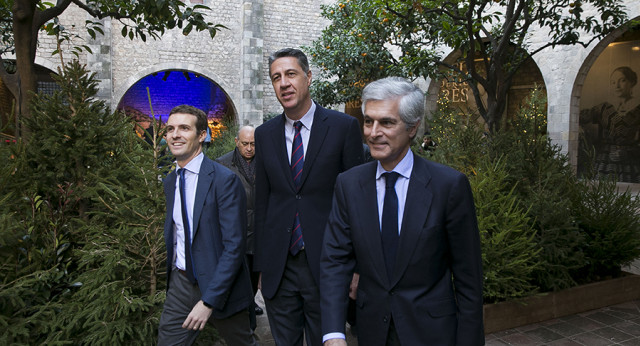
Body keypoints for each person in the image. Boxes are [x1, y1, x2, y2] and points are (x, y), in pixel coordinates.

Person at [320, 77, 484, 345]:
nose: (373, 132)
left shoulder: (448, 187)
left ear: (413, 127)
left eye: (386, 122)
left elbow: (469, 282)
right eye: (368, 121)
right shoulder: (348, 185)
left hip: (432, 335)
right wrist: (333, 332)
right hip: (371, 332)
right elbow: (335, 262)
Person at [254, 48, 364, 346]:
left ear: (308, 77)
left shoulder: (343, 128)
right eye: (276, 77)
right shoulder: (264, 135)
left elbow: (358, 203)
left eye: (291, 74)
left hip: (326, 264)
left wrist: (356, 267)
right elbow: (262, 201)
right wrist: (263, 265)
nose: (284, 83)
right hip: (280, 266)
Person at [158, 105, 257, 346]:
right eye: (170, 129)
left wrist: (209, 300)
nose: (175, 134)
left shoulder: (225, 180)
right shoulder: (171, 181)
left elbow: (234, 246)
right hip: (181, 283)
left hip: (221, 284)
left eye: (184, 128)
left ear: (202, 135)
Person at [216, 125, 264, 318]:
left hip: (258, 230)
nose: (250, 148)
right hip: (234, 230)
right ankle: (241, 308)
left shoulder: (265, 162)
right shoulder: (222, 164)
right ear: (237, 142)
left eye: (253, 144)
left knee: (254, 273)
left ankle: (250, 303)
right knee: (236, 273)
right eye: (245, 144)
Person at [579, 66, 640, 183]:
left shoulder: (638, 110)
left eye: (622, 80)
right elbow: (578, 117)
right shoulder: (604, 108)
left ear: (632, 82)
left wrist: (628, 153)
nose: (617, 86)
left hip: (631, 163)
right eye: (613, 82)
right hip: (605, 161)